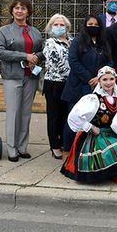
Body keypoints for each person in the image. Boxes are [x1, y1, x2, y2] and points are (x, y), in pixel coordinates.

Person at [61, 66, 117, 183]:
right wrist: (89, 127)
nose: (108, 82)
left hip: (114, 135)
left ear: (115, 80)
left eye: (111, 79)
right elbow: (74, 116)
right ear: (99, 81)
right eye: (104, 79)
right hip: (97, 137)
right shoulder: (93, 99)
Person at [0, 0, 45, 162]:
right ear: (12, 11)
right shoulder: (4, 31)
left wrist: (36, 57)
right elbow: (0, 52)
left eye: (23, 8)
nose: (19, 11)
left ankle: (22, 147)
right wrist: (25, 56)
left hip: (30, 77)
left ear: (28, 12)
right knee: (13, 113)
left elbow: (43, 50)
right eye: (16, 8)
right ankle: (11, 149)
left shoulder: (35, 31)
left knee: (25, 114)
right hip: (12, 76)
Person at [61, 14, 112, 160]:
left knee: (93, 121)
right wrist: (89, 77)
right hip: (78, 87)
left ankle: (87, 150)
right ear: (85, 26)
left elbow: (110, 62)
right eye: (89, 24)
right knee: (74, 119)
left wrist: (100, 77)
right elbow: (73, 61)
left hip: (98, 88)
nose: (93, 27)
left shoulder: (104, 43)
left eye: (95, 24)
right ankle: (67, 149)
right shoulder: (78, 42)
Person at [42, 13, 72, 160]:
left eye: (62, 25)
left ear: (67, 27)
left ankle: (63, 143)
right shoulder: (50, 43)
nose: (59, 27)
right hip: (55, 83)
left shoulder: (72, 41)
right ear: (51, 26)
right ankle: (55, 146)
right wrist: (75, 74)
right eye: (56, 24)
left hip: (69, 84)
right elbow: (57, 63)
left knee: (66, 115)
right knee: (54, 116)